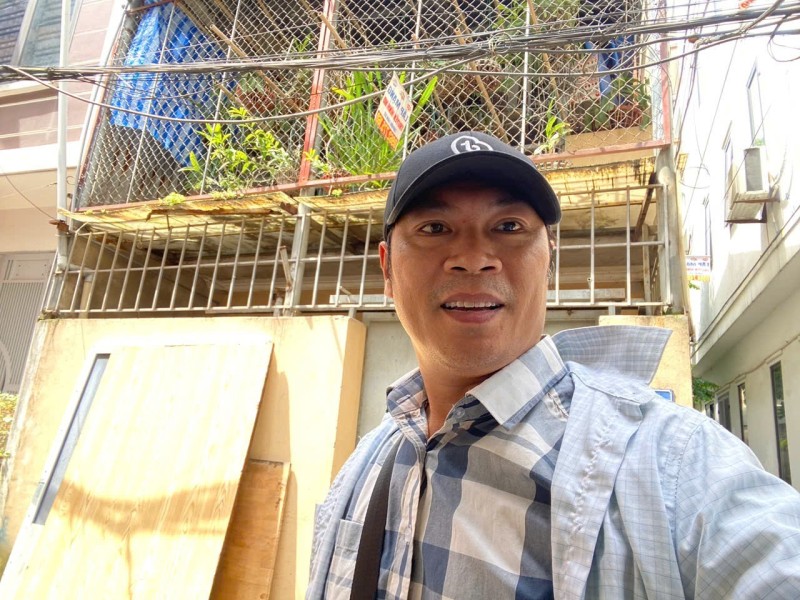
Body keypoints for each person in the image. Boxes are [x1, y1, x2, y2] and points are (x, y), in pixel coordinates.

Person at [307, 131, 800, 599]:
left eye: (509, 227)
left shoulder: (673, 464)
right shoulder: (366, 463)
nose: (474, 258)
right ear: (387, 269)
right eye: (435, 228)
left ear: (549, 260)